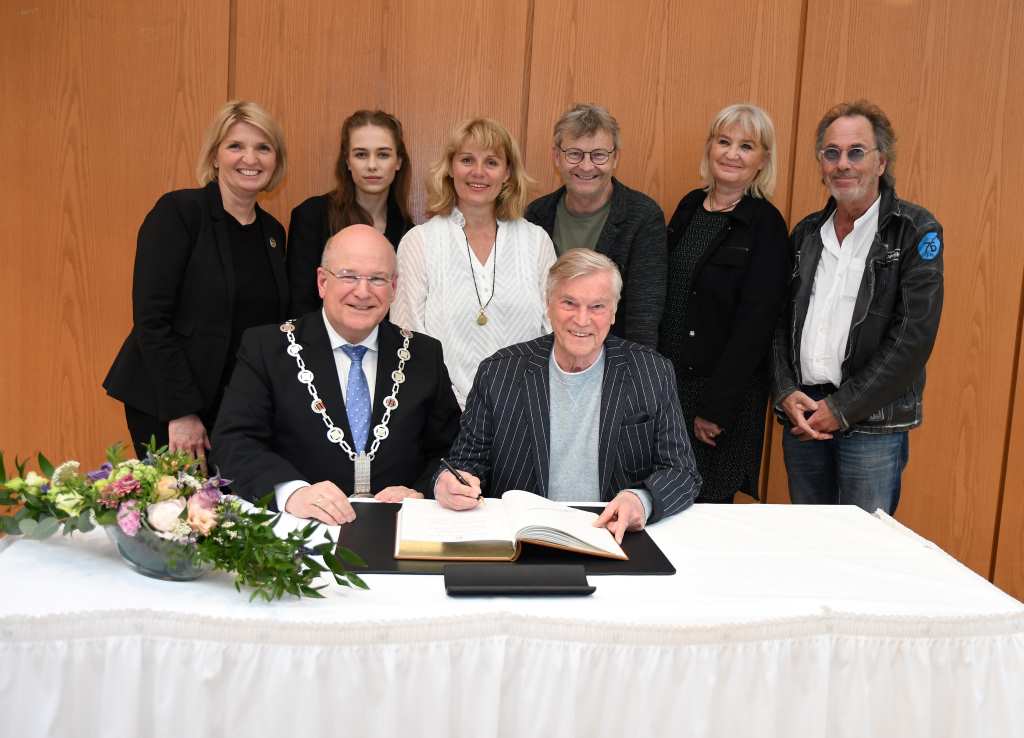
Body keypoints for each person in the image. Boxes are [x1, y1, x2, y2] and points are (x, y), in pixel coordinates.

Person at [435, 249, 700, 542]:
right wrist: (447, 483)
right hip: (520, 539)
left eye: (597, 306)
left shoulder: (651, 371)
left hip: (615, 535)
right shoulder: (498, 373)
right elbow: (464, 465)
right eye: (569, 303)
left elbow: (682, 472)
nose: (582, 319)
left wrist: (642, 500)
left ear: (614, 311)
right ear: (548, 305)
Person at [213, 225, 461, 525]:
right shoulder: (267, 348)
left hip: (400, 529)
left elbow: (449, 449)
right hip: (300, 533)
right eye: (349, 276)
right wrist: (293, 493)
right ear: (322, 282)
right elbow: (235, 443)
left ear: (394, 287)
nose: (362, 291)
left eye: (377, 279)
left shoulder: (423, 354)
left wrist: (423, 490)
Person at [772, 100, 944, 514]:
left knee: (862, 553)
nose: (842, 164)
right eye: (831, 153)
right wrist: (784, 393)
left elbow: (912, 338)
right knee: (811, 546)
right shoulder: (807, 233)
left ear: (881, 161)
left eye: (856, 152)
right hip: (806, 416)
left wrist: (844, 408)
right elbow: (779, 324)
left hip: (872, 424)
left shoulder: (914, 231)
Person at [104, 100, 290, 464]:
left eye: (263, 148)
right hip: (169, 403)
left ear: (276, 161)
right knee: (180, 513)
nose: (249, 159)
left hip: (233, 407)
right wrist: (182, 412)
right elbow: (152, 321)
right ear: (216, 156)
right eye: (236, 146)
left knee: (229, 514)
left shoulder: (272, 233)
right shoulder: (179, 213)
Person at [658, 104, 790, 503]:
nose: (732, 154)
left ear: (763, 158)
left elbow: (757, 325)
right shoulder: (688, 207)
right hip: (670, 387)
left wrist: (716, 408)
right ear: (710, 147)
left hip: (719, 398)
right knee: (663, 501)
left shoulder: (766, 225)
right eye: (724, 141)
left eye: (746, 146)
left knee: (705, 512)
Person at [391, 118, 555, 407]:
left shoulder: (536, 242)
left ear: (507, 173)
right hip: (442, 413)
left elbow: (553, 332)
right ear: (450, 168)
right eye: (467, 159)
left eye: (491, 162)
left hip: (522, 412)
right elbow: (408, 337)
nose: (478, 172)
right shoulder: (420, 242)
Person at [525, 103, 666, 348]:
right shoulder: (536, 215)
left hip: (613, 364)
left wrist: (631, 379)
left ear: (615, 158)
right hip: (545, 360)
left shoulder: (643, 216)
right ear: (557, 157)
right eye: (574, 154)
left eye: (599, 154)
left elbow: (643, 317)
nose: (587, 166)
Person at [287, 110, 413, 316]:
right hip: (319, 345)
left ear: (398, 162)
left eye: (383, 154)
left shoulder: (408, 231)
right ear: (347, 161)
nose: (372, 166)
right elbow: (300, 305)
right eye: (361, 154)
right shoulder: (311, 216)